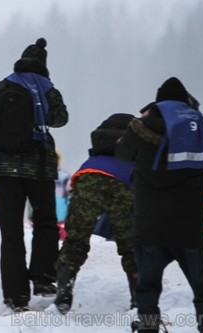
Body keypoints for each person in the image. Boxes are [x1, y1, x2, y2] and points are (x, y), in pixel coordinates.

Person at [116, 77, 203, 333]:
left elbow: (122, 154)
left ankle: (148, 325)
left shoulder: (140, 127)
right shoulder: (200, 127)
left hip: (150, 223)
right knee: (201, 285)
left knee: (148, 285)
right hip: (191, 225)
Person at [0, 37, 69, 312]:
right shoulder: (47, 88)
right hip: (38, 167)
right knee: (45, 222)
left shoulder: (4, 85)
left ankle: (16, 296)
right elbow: (61, 119)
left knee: (11, 231)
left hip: (4, 169)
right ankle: (42, 278)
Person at [54, 113, 136, 314]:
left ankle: (64, 290)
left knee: (75, 240)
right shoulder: (134, 146)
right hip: (122, 183)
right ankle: (139, 295)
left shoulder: (98, 148)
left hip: (87, 177)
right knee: (130, 244)